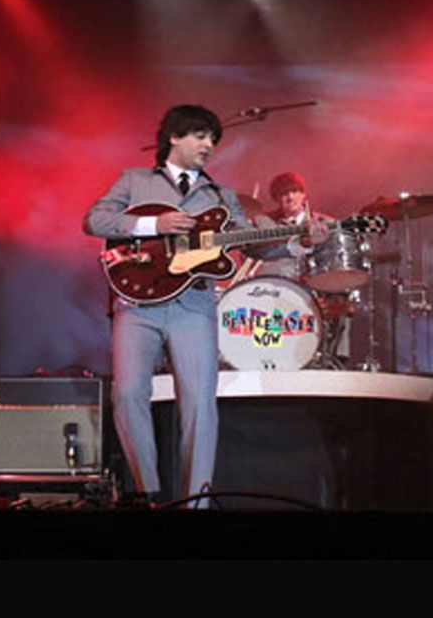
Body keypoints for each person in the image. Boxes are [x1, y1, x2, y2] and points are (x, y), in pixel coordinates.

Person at [84, 105, 323, 504]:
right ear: (174, 138)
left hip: (193, 306)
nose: (208, 144)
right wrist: (153, 225)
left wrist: (300, 241)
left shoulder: (221, 196)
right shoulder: (135, 180)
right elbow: (95, 220)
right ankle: (146, 493)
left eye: (212, 138)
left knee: (199, 405)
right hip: (137, 304)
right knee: (126, 394)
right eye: (200, 136)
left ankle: (196, 501)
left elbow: (255, 244)